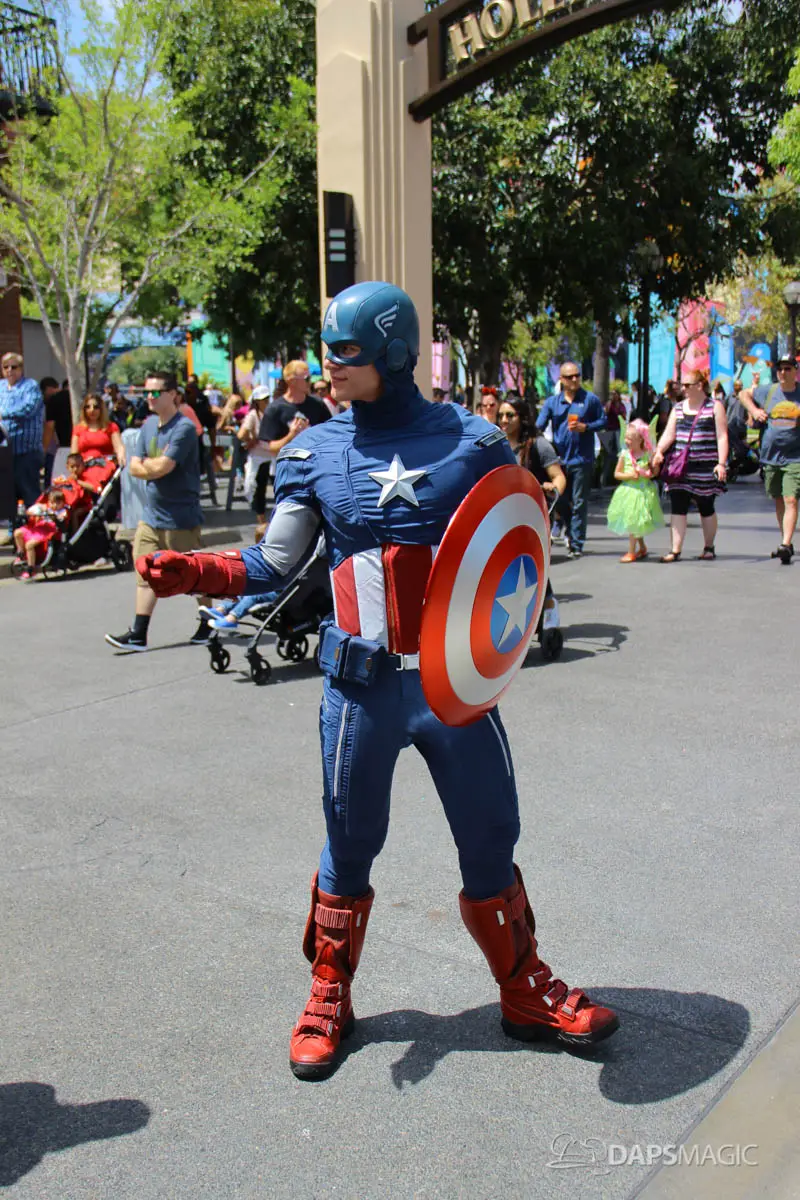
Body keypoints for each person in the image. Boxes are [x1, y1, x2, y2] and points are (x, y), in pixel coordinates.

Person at [136, 280, 620, 1082]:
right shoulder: (314, 450)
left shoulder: (474, 442)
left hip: (451, 686)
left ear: (394, 352)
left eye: (347, 351)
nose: (330, 365)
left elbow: (515, 548)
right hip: (359, 687)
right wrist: (197, 572)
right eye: (326, 350)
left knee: (490, 835)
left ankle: (522, 988)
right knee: (350, 842)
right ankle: (330, 989)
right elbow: (275, 561)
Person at [104, 371, 209, 651]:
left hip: (180, 517)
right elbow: (134, 467)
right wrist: (150, 467)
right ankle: (138, 634)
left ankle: (210, 622)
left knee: (193, 575)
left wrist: (148, 466)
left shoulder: (184, 428)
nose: (148, 397)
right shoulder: (149, 425)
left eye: (155, 392)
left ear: (172, 394)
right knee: (145, 572)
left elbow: (164, 467)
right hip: (151, 516)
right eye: (146, 392)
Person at [497, 394, 566, 632]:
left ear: (523, 417)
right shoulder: (494, 445)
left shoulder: (538, 445)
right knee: (507, 569)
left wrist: (551, 487)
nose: (504, 420)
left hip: (533, 516)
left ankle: (549, 609)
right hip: (502, 516)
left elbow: (559, 477)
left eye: (510, 415)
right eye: (501, 415)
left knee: (531, 566)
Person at [652, 370, 728, 562]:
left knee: (706, 505)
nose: (683, 388)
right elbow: (669, 434)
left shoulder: (714, 407)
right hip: (680, 467)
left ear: (700, 386)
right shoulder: (678, 408)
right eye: (682, 385)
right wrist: (659, 450)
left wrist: (721, 463)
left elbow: (722, 436)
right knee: (678, 506)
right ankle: (675, 550)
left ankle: (709, 547)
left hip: (705, 467)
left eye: (687, 385)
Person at [535, 363, 606, 558]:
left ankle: (576, 544)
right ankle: (567, 529)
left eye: (577, 375)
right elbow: (539, 425)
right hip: (559, 460)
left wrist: (586, 427)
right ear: (562, 380)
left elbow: (603, 421)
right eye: (569, 377)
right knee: (560, 500)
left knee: (580, 502)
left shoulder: (589, 399)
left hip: (582, 459)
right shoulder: (553, 402)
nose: (574, 379)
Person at [738, 355, 800, 564]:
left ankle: (785, 544)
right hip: (771, 456)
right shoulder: (769, 391)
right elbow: (743, 394)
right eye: (780, 369)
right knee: (779, 499)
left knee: (791, 498)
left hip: (795, 456)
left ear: (795, 371)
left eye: (788, 369)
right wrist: (754, 410)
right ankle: (786, 541)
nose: (783, 373)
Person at [606, 418, 664, 562]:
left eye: (630, 439)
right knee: (634, 521)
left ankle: (632, 551)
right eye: (626, 438)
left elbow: (654, 473)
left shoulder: (647, 454)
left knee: (636, 522)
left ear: (641, 439)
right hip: (629, 492)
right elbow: (616, 474)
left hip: (643, 492)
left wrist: (654, 467)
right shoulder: (624, 455)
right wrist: (630, 476)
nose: (627, 441)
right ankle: (639, 548)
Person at [257, 360, 331, 465]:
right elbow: (269, 447)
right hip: (287, 467)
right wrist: (291, 435)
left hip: (316, 465)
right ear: (292, 381)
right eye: (307, 378)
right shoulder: (275, 409)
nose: (310, 382)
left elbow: (330, 434)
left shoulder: (318, 404)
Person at [0, 351, 45, 509]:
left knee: (30, 494)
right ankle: (12, 523)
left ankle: (36, 524)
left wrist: (3, 414)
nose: (9, 370)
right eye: (5, 367)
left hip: (26, 453)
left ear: (21, 368)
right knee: (7, 496)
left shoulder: (30, 386)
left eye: (14, 367)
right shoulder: (1, 387)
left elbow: (28, 408)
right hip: (4, 452)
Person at [237, 385, 272, 538]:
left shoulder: (272, 413)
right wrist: (252, 439)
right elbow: (241, 434)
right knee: (258, 488)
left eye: (267, 399)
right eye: (263, 400)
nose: (266, 402)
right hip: (258, 457)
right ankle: (261, 522)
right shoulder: (253, 415)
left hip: (273, 454)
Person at [13, 486, 68, 580]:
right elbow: (37, 507)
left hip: (49, 530)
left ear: (63, 503)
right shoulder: (46, 507)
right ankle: (21, 554)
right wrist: (34, 510)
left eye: (58, 503)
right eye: (52, 503)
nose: (54, 505)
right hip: (39, 527)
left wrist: (54, 516)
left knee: (29, 545)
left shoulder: (63, 511)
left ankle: (31, 569)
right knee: (17, 533)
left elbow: (61, 518)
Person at [70, 394, 126, 486]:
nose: (92, 410)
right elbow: (73, 455)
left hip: (105, 468)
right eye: (88, 407)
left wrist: (121, 456)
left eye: (96, 407)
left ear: (101, 409)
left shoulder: (111, 427)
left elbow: (119, 447)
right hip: (84, 469)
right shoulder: (78, 429)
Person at [41, 376, 73, 488]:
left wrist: (44, 450)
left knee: (57, 484)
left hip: (63, 448)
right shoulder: (81, 399)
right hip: (81, 445)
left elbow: (50, 427)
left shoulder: (53, 401)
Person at [598, 391, 628, 488]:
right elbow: (605, 412)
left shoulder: (621, 405)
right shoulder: (609, 404)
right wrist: (610, 402)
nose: (614, 396)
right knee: (608, 454)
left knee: (620, 453)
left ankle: (620, 478)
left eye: (615, 394)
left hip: (618, 430)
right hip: (609, 430)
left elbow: (624, 417)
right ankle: (603, 480)